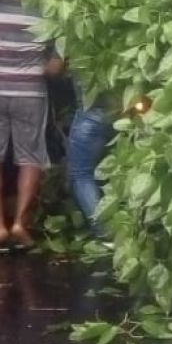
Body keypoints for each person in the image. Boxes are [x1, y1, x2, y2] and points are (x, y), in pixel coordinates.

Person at [0, 0, 61, 250]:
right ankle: (20, 225)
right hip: (30, 91)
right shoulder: (47, 3)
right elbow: (54, 67)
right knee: (30, 156)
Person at [67, 85, 113, 241]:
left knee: (81, 175)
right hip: (122, 114)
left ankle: (104, 232)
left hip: (90, 117)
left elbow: (55, 68)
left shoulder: (82, 60)